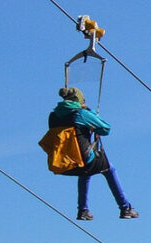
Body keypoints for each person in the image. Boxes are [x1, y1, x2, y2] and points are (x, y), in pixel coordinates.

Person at [50, 86, 136, 221]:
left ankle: (83, 210)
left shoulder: (53, 116)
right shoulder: (80, 114)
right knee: (109, 169)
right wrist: (92, 115)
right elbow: (106, 129)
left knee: (85, 172)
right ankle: (125, 207)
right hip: (84, 160)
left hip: (64, 163)